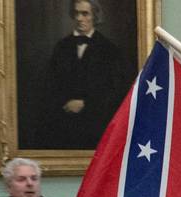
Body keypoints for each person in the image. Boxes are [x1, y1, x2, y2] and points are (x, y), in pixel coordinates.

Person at [43, 0, 127, 149]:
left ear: (95, 16)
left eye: (85, 13)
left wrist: (86, 104)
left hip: (95, 127)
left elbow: (115, 90)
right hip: (63, 126)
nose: (79, 18)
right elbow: (49, 85)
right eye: (76, 13)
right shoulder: (61, 47)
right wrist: (65, 104)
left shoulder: (109, 49)